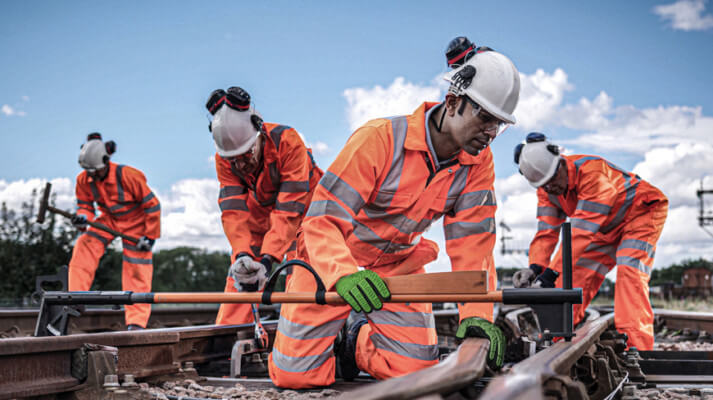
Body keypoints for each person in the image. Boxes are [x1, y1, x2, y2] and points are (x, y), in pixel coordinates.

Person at [269, 49, 521, 388]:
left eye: (499, 125)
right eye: (484, 118)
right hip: (329, 266)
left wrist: (477, 317)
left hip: (397, 269)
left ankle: (354, 340)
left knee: (414, 375)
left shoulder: (478, 165)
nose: (490, 132)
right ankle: (324, 340)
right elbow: (323, 219)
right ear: (451, 102)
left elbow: (473, 248)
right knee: (294, 375)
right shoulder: (379, 139)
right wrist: (343, 275)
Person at [512, 133, 668, 350]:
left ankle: (637, 349)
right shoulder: (547, 191)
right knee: (570, 278)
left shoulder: (594, 174)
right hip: (604, 228)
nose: (551, 188)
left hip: (640, 213)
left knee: (629, 272)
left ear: (561, 163)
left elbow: (581, 232)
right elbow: (546, 233)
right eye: (544, 185)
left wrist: (550, 273)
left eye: (553, 180)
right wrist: (535, 268)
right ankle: (559, 340)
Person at [205, 86, 323, 325]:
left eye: (246, 155)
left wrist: (269, 259)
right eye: (233, 160)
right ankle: (226, 343)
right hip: (262, 216)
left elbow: (290, 210)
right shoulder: (225, 158)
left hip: (308, 215)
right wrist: (242, 254)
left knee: (302, 278)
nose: (241, 165)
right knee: (242, 276)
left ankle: (299, 332)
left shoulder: (288, 142)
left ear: (259, 134)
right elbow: (233, 211)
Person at [69, 132, 161, 330]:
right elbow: (85, 206)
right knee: (85, 243)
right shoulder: (84, 179)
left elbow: (153, 206)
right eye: (88, 171)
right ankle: (75, 297)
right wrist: (83, 219)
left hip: (136, 223)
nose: (91, 175)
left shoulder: (130, 176)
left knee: (136, 269)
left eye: (95, 171)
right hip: (109, 220)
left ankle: (136, 322)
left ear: (105, 162)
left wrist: (150, 237)